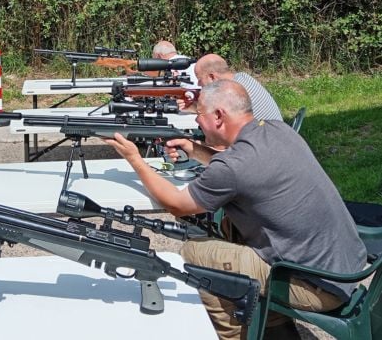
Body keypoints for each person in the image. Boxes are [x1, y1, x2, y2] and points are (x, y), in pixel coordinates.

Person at [105, 80, 367, 340]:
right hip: (345, 268)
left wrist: (135, 160)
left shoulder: (234, 166)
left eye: (199, 115)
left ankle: (234, 335)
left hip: (318, 286)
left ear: (219, 116)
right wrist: (194, 149)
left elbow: (177, 205)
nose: (197, 122)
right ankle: (271, 325)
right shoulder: (276, 130)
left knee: (195, 252)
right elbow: (241, 171)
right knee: (231, 227)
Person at [187, 53, 282, 121]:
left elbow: (219, 123)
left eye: (200, 79)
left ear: (212, 77)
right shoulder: (242, 77)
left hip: (263, 144)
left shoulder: (231, 93)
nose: (199, 84)